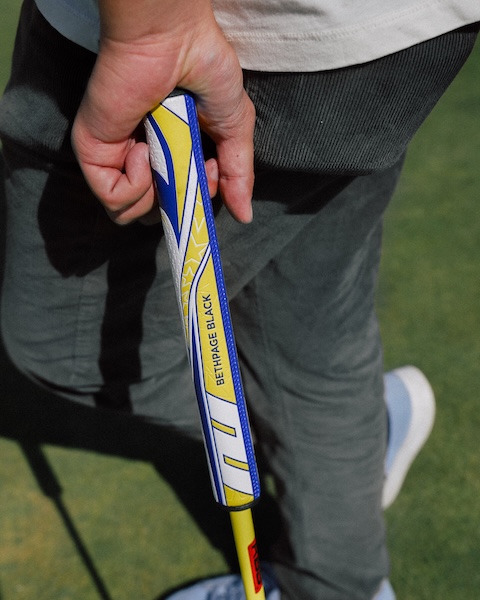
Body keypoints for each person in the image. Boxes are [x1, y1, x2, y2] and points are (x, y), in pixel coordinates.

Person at [0, 0, 478, 598]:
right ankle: (343, 516)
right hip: (402, 35)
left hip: (209, 40)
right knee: (312, 328)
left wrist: (151, 33)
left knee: (68, 348)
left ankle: (342, 446)